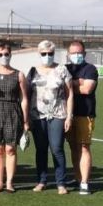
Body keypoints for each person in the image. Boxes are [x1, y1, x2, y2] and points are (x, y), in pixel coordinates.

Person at [0, 42, 29, 193]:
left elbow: (24, 99)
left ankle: (9, 182)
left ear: (10, 55)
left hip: (13, 111)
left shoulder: (19, 74)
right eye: (0, 54)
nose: (3, 57)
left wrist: (26, 120)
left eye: (6, 54)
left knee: (10, 148)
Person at [28, 40, 73, 195]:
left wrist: (69, 116)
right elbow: (27, 94)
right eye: (44, 53)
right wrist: (27, 118)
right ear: (39, 53)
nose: (47, 56)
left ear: (54, 53)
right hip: (37, 115)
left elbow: (69, 94)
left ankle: (61, 183)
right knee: (41, 149)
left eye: (50, 53)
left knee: (57, 148)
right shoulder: (33, 71)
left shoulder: (62, 69)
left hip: (58, 114)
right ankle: (41, 181)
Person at [65, 40, 98, 195]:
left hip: (85, 114)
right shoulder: (65, 68)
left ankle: (84, 183)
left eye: (79, 53)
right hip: (68, 114)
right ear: (68, 54)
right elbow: (61, 87)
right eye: (73, 53)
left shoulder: (90, 69)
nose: (76, 55)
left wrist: (69, 85)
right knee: (73, 147)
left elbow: (87, 89)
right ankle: (77, 177)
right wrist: (78, 82)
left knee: (84, 146)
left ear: (84, 53)